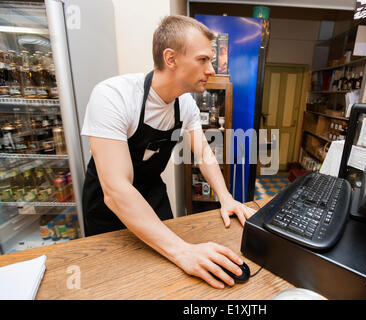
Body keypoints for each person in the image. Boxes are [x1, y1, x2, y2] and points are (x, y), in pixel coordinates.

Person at [81, 15, 256, 289]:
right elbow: (116, 189)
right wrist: (183, 250)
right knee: (117, 283)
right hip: (108, 207)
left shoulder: (185, 104)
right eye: (203, 60)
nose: (211, 69)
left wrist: (226, 198)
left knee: (168, 279)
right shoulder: (113, 96)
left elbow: (204, 153)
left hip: (151, 193)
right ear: (171, 59)